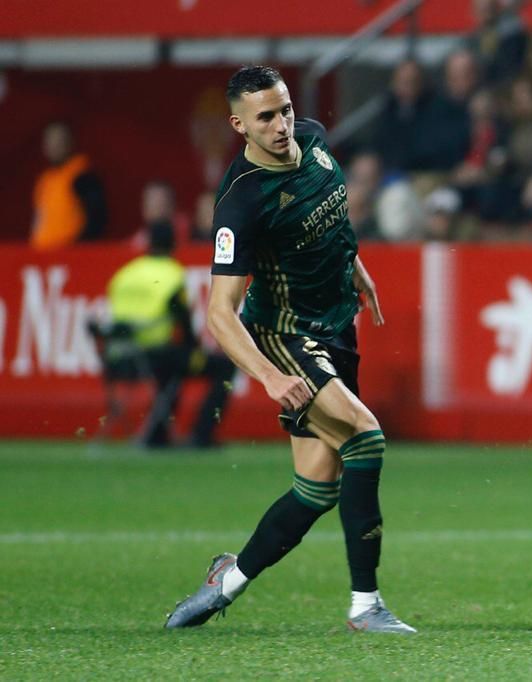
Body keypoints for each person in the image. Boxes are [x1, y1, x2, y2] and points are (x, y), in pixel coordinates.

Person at [164, 66, 414, 634]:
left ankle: (225, 581)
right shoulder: (240, 202)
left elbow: (328, 218)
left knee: (317, 488)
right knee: (366, 438)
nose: (282, 125)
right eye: (266, 118)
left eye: (285, 110)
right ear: (239, 126)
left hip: (336, 328)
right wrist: (270, 377)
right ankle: (366, 606)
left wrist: (355, 265)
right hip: (285, 335)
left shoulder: (316, 141)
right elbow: (220, 314)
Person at [106, 221, 235, 448]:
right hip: (155, 357)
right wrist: (196, 351)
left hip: (120, 359)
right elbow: (183, 322)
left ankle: (158, 434)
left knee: (173, 366)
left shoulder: (125, 274)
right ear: (173, 244)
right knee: (223, 366)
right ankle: (201, 436)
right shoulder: (171, 275)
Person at [30, 121, 107, 251]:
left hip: (69, 255)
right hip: (43, 256)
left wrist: (78, 249)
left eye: (59, 141)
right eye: (50, 141)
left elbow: (97, 218)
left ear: (70, 142)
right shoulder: (45, 180)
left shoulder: (82, 176)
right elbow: (39, 219)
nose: (54, 146)